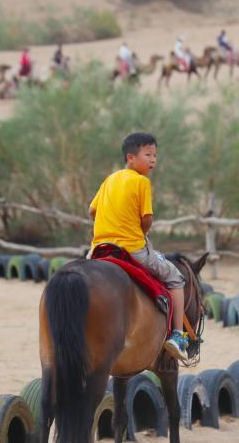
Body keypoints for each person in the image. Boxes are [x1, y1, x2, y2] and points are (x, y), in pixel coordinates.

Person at [88, 132, 188, 361]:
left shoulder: (110, 179)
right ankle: (178, 336)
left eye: (155, 155)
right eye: (148, 155)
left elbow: (91, 211)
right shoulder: (142, 182)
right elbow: (147, 219)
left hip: (99, 248)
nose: (153, 160)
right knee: (175, 278)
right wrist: (141, 230)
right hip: (131, 249)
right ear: (131, 158)